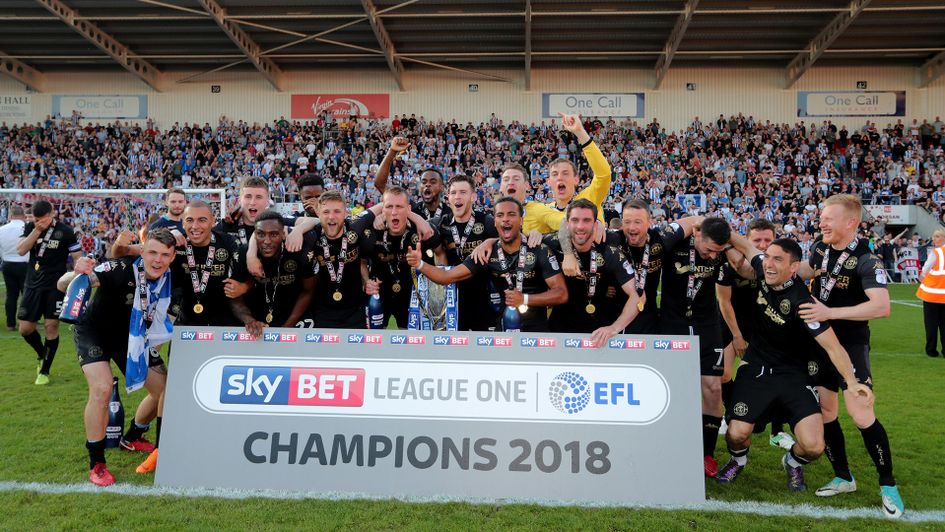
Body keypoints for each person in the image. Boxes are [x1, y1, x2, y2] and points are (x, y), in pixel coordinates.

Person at [715, 235, 873, 492]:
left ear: (794, 267)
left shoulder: (804, 304)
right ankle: (738, 460)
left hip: (795, 375)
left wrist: (853, 382)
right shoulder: (763, 269)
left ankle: (792, 461)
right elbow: (744, 245)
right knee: (736, 433)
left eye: (778, 259)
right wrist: (712, 226)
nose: (769, 264)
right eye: (767, 257)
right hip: (757, 368)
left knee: (813, 447)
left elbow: (834, 347)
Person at [797, 194, 903, 518]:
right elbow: (806, 269)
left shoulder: (867, 260)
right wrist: (778, 268)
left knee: (860, 412)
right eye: (821, 218)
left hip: (852, 346)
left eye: (828, 218)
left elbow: (881, 306)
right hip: (819, 343)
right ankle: (844, 476)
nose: (822, 223)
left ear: (850, 223)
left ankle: (888, 485)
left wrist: (830, 311)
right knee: (827, 411)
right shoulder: (819, 246)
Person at [57, 229, 176, 486]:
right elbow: (64, 284)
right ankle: (97, 463)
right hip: (94, 332)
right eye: (152, 252)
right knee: (101, 389)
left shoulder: (170, 278)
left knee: (167, 389)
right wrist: (78, 271)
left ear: (173, 256)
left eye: (165, 254)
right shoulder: (121, 268)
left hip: (131, 338)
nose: (158, 260)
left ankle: (133, 436)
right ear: (142, 251)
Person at [407, 196, 567, 332]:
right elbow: (447, 276)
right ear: (495, 222)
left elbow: (561, 294)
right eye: (500, 215)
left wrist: (524, 299)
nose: (505, 219)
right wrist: (420, 264)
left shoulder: (539, 250)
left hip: (537, 332)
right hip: (502, 332)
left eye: (511, 214)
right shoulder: (486, 253)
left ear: (521, 220)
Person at [658, 216, 729, 478]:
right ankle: (671, 447)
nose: (712, 256)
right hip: (672, 321)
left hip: (707, 322)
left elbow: (742, 251)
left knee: (712, 387)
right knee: (673, 389)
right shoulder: (674, 244)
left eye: (717, 252)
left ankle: (706, 454)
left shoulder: (722, 249)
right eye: (709, 249)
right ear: (697, 233)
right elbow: (655, 240)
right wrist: (694, 220)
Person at [717, 219, 793, 449]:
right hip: (731, 322)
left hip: (765, 325)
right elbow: (724, 301)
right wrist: (737, 336)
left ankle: (777, 431)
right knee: (723, 373)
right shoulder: (731, 262)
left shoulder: (779, 263)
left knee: (777, 374)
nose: (762, 244)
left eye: (767, 240)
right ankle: (731, 415)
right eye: (756, 240)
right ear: (746, 240)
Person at [544, 199, 640, 345]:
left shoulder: (609, 250)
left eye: (587, 220)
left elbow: (637, 295)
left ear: (596, 225)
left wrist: (614, 328)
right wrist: (533, 234)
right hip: (559, 334)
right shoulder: (551, 244)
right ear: (567, 224)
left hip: (601, 336)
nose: (580, 226)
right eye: (575, 220)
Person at [16, 200, 82, 385]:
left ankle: (44, 371)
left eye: (42, 219)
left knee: (51, 326)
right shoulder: (30, 226)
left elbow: (78, 257)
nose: (39, 222)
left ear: (51, 214)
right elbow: (21, 250)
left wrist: (76, 276)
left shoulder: (66, 231)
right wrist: (36, 230)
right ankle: (41, 354)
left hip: (56, 286)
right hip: (32, 284)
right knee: (25, 329)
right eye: (36, 219)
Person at [228, 210, 316, 335]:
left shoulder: (300, 252)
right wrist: (249, 320)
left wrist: (287, 326)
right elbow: (233, 295)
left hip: (294, 315)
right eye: (261, 234)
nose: (267, 241)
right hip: (257, 317)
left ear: (283, 234)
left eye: (274, 235)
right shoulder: (243, 254)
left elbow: (308, 291)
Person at [362, 186, 439, 329]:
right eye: (389, 206)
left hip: (412, 298)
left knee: (412, 347)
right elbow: (361, 260)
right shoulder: (372, 232)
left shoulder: (419, 231)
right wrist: (366, 281)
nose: (394, 212)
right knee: (374, 343)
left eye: (399, 206)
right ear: (382, 209)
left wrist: (420, 263)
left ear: (409, 209)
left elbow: (437, 246)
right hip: (379, 294)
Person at [431, 174, 499, 331]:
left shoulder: (486, 221)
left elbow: (509, 239)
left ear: (473, 197)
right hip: (453, 300)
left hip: (483, 299)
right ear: (448, 197)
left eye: (463, 192)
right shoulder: (442, 223)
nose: (457, 197)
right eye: (453, 193)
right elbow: (420, 228)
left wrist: (490, 241)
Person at [307, 190, 377, 328]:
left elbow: (384, 204)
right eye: (326, 212)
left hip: (355, 311)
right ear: (318, 213)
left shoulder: (355, 227)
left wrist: (367, 281)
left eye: (337, 211)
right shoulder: (311, 235)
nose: (331, 217)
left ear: (346, 213)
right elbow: (273, 221)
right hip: (322, 312)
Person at [917, 229, 945, 358]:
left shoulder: (936, 252)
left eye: (937, 236)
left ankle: (931, 350)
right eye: (933, 237)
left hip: (931, 295)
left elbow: (924, 271)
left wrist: (924, 282)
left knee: (931, 324)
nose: (934, 239)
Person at [0, 206, 28, 331]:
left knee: (11, 295)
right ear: (23, 215)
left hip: (7, 263)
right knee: (27, 294)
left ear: (10, 215)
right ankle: (27, 321)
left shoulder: (2, 229)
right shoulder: (27, 228)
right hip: (24, 264)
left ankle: (10, 323)